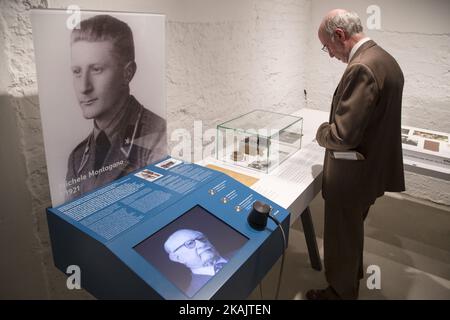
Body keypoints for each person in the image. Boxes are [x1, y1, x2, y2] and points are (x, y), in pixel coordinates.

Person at [309, 9, 405, 300]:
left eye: (327, 46)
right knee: (351, 233)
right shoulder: (385, 59)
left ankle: (339, 292)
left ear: (339, 35)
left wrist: (321, 131)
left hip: (351, 176)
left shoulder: (362, 67)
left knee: (341, 236)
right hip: (370, 170)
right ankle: (350, 277)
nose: (329, 54)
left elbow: (342, 135)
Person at [65, 14, 167, 200]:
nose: (84, 87)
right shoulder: (77, 159)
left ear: (127, 73)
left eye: (96, 69)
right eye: (77, 72)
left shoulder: (157, 136)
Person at [164, 229, 228, 297]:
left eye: (201, 238)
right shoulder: (194, 295)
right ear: (178, 258)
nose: (202, 244)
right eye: (190, 243)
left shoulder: (240, 252)